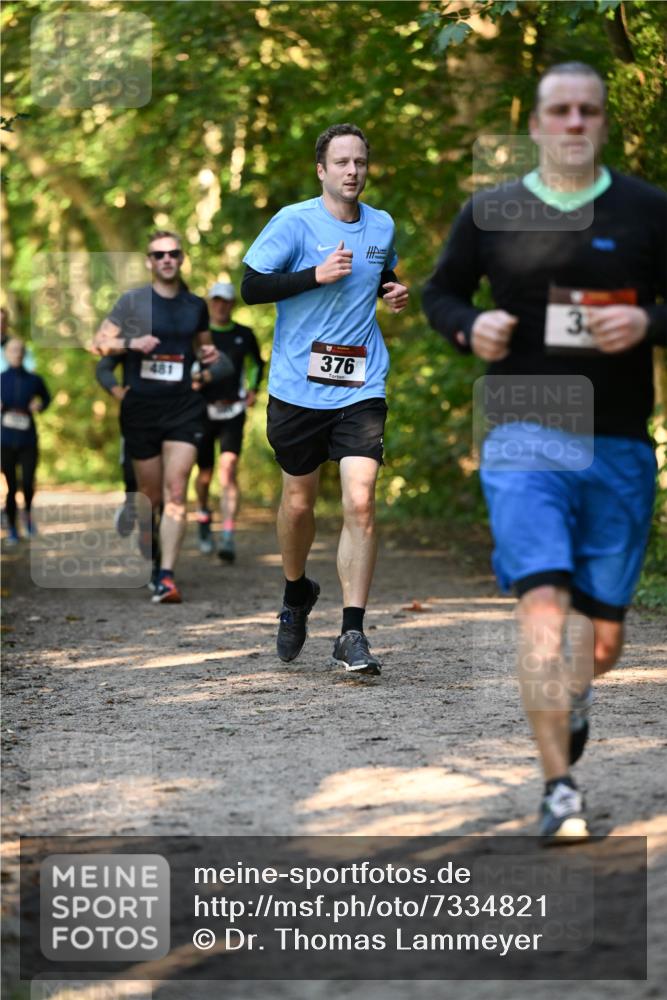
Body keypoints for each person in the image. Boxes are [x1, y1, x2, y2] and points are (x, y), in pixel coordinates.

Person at [423, 62, 666, 842]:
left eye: (585, 111)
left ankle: (578, 693)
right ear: (532, 125)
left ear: (601, 122)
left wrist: (649, 325)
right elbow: (440, 292)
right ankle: (558, 787)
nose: (571, 123)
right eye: (557, 111)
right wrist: (470, 326)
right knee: (540, 605)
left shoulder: (645, 211)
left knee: (599, 641)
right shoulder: (490, 211)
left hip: (619, 437)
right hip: (522, 425)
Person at [242, 123, 408, 675]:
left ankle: (352, 633)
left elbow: (379, 271)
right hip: (296, 387)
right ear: (322, 170)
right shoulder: (294, 222)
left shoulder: (381, 224)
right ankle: (296, 593)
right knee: (298, 504)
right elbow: (251, 286)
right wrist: (313, 275)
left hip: (362, 382)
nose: (352, 171)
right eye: (341, 162)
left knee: (360, 502)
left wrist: (393, 288)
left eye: (360, 161)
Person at [92, 230, 231, 603]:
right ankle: (149, 547)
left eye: (173, 253)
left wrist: (209, 362)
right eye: (159, 255)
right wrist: (131, 343)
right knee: (149, 496)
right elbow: (99, 343)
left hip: (183, 407)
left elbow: (205, 347)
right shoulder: (133, 302)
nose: (167, 259)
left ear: (181, 259)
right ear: (149, 262)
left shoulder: (194, 304)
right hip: (142, 408)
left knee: (175, 491)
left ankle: (167, 575)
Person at [194, 281, 265, 562]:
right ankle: (202, 515)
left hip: (232, 411)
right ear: (210, 303)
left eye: (226, 301)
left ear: (233, 304)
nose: (221, 305)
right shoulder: (199, 335)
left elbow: (257, 363)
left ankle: (227, 534)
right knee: (204, 476)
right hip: (202, 411)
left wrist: (253, 389)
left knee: (229, 469)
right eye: (216, 300)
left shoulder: (244, 334)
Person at [1, 338, 50, 544]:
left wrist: (39, 405)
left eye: (20, 350)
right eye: (13, 350)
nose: (17, 354)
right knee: (12, 487)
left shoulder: (34, 379)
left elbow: (47, 398)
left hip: (28, 439)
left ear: (24, 353)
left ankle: (28, 517)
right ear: (6, 354)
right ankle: (12, 528)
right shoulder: (1, 379)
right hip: (5, 440)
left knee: (28, 483)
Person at [95, 354, 139, 537]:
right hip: (137, 417)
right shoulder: (133, 333)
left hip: (176, 415)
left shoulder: (184, 329)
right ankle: (130, 505)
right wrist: (116, 390)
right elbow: (103, 366)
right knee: (132, 471)